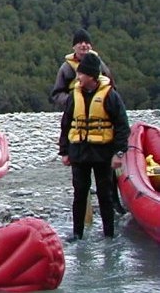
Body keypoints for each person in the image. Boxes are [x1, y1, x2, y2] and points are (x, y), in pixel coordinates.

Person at [58, 52, 130, 242]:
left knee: (105, 194)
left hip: (102, 153)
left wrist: (119, 153)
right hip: (79, 152)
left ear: (91, 76)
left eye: (81, 74)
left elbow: (122, 125)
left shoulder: (110, 96)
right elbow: (66, 124)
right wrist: (64, 151)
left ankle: (109, 234)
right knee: (80, 193)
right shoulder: (75, 96)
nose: (78, 77)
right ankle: (77, 233)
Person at [50, 28, 114, 110]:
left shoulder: (100, 64)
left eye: (87, 43)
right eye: (80, 43)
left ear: (90, 46)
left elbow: (111, 87)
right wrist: (72, 101)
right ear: (74, 47)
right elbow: (57, 94)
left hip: (99, 106)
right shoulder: (66, 68)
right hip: (75, 110)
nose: (84, 45)